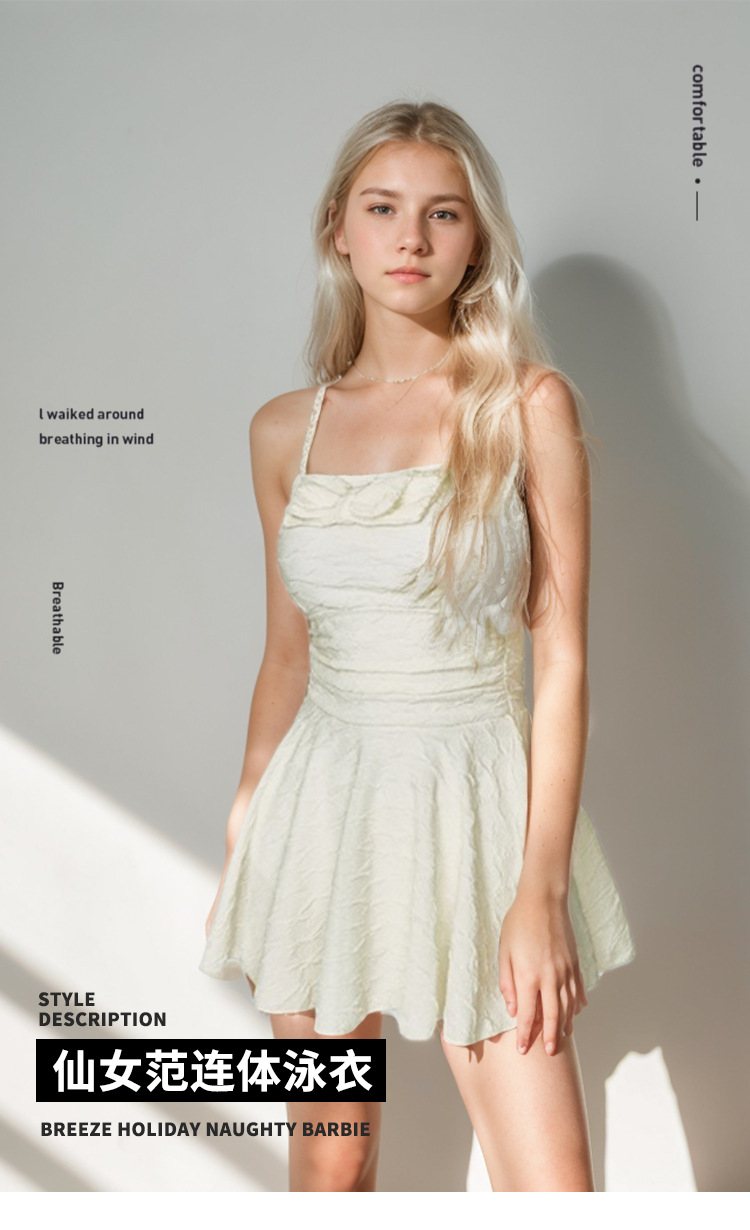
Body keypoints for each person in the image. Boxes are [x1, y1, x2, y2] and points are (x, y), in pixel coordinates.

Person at [200, 99, 636, 1193]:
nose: (411, 237)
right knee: (333, 1168)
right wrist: (247, 825)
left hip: (478, 803)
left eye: (443, 213)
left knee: (552, 1191)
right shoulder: (282, 429)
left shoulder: (527, 407)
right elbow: (288, 656)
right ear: (337, 230)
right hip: (320, 809)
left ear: (475, 240)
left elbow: (562, 661)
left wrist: (540, 891)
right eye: (383, 208)